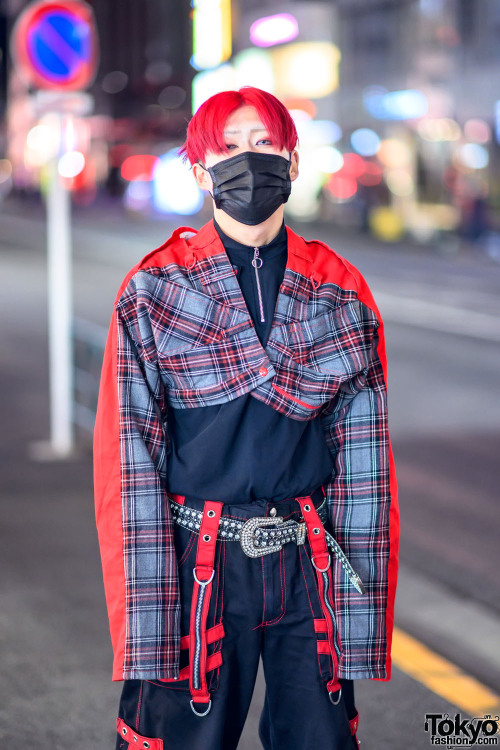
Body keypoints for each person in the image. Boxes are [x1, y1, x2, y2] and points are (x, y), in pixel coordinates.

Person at [94, 86, 399, 750]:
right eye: (229, 148)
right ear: (201, 172)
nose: (249, 160)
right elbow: (130, 468)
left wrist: (360, 610)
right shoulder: (157, 290)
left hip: (306, 561)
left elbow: (365, 468)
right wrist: (147, 620)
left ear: (292, 159)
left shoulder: (341, 291)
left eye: (264, 144)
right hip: (196, 560)